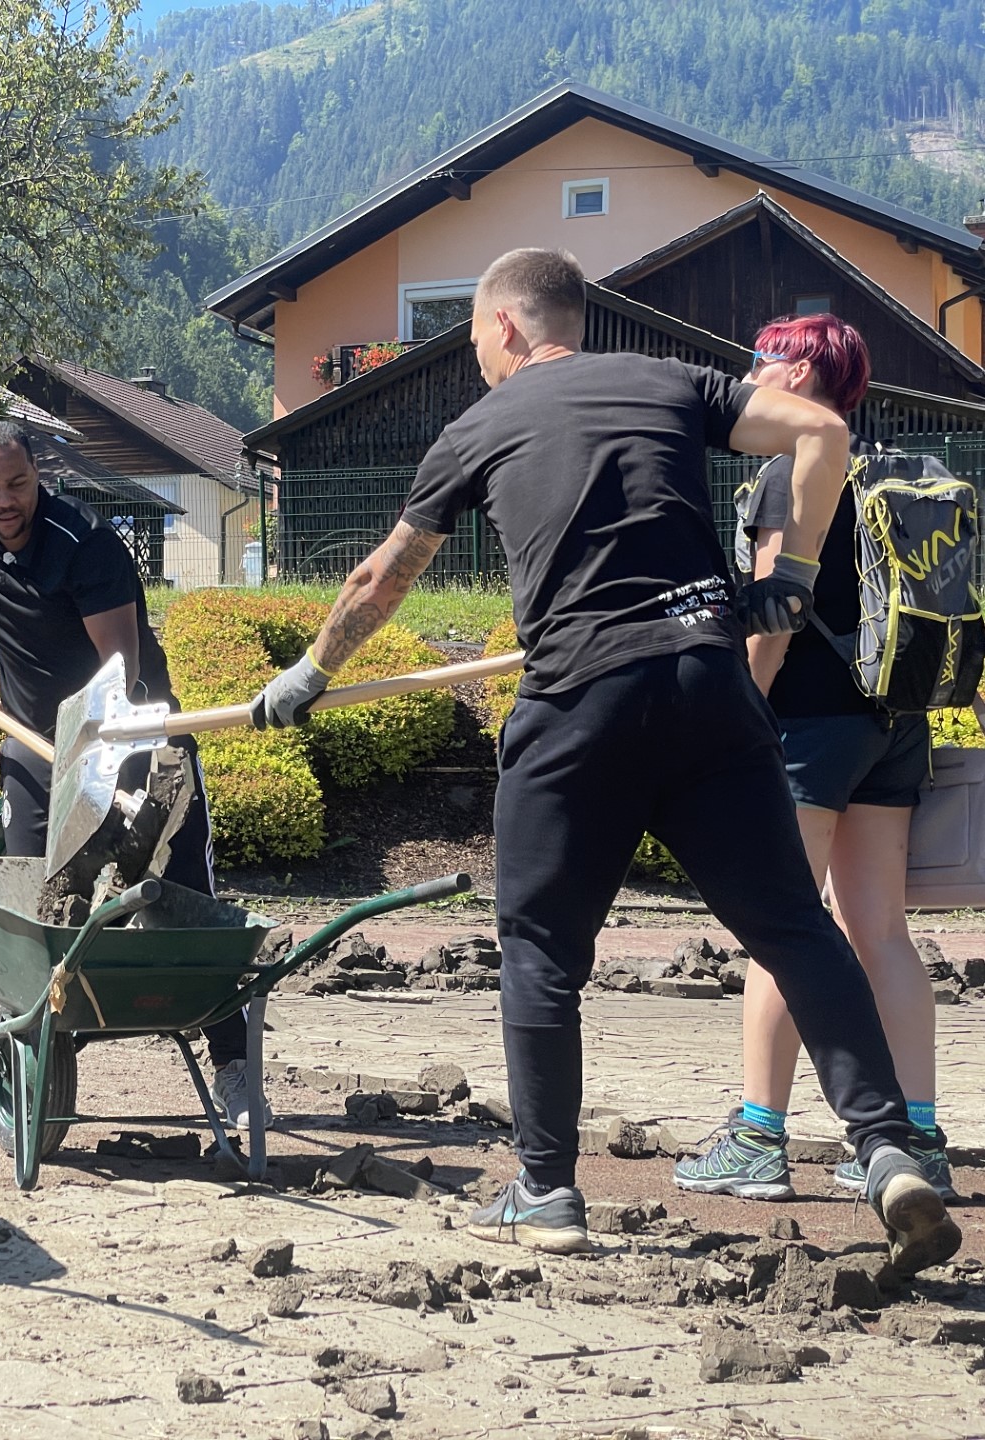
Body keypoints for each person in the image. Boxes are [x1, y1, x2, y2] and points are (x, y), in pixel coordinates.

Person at [251, 249, 960, 1275]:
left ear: (502, 330)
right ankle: (888, 1149)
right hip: (709, 689)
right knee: (798, 929)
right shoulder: (668, 381)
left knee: (541, 949)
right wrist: (791, 576)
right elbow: (822, 430)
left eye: (475, 345)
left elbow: (384, 572)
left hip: (579, 700)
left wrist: (310, 672)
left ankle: (545, 1188)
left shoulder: (479, 426)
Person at [0, 421, 266, 1128]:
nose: (5, 501)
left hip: (134, 733)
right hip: (34, 743)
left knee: (181, 903)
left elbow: (121, 673)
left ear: (37, 474)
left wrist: (107, 766)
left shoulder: (85, 545)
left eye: (17, 483)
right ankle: (43, 1042)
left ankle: (234, 1063)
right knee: (34, 911)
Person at [675, 315, 954, 1201]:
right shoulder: (896, 472)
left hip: (806, 729)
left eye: (762, 358)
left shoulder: (791, 471)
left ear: (797, 375)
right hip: (895, 721)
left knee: (781, 926)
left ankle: (759, 1137)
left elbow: (772, 619)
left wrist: (735, 714)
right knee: (882, 933)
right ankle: (921, 1138)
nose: (750, 371)